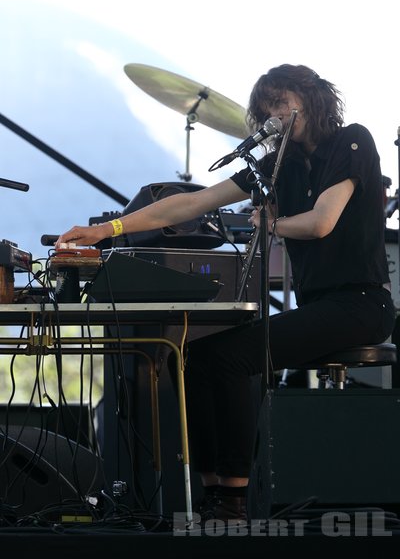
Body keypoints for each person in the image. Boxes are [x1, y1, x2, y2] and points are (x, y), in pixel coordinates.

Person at [56, 64, 396, 523]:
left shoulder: (352, 140)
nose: (274, 113)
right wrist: (106, 229)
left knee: (236, 358)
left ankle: (234, 498)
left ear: (308, 96)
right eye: (266, 107)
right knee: (196, 357)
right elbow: (192, 203)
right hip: (320, 306)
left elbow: (321, 222)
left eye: (280, 101)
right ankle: (213, 492)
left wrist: (271, 223)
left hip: (360, 305)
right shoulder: (281, 163)